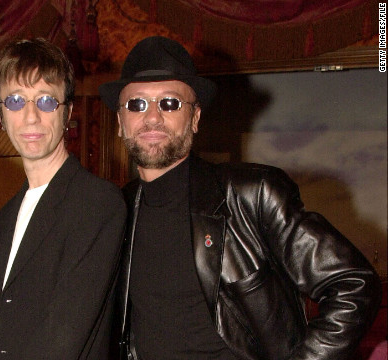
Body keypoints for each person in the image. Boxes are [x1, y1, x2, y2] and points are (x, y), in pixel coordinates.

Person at [98, 36, 382, 360]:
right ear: (120, 122)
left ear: (195, 118)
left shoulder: (253, 195)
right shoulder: (113, 213)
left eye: (170, 103)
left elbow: (353, 284)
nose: (152, 117)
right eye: (137, 104)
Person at [0, 38, 126, 359]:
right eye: (15, 100)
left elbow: (62, 339)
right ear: (0, 114)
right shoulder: (8, 213)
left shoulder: (98, 203)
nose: (30, 116)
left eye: (46, 101)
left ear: (67, 114)